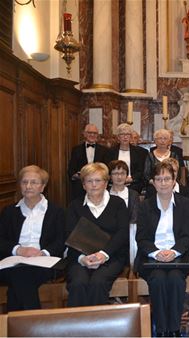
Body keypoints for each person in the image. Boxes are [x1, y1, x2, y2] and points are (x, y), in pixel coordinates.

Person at [135, 162, 189, 337]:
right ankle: (161, 329)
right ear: (152, 182)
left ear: (174, 180)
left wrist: (174, 252)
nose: (163, 183)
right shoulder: (145, 205)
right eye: (158, 179)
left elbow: (186, 236)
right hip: (151, 257)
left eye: (167, 178)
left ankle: (174, 328)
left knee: (176, 279)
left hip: (178, 256)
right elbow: (142, 238)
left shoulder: (184, 203)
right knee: (159, 280)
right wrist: (156, 253)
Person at [0, 165, 65, 311]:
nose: (28, 186)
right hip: (13, 261)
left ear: (42, 187)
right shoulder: (9, 212)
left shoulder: (56, 212)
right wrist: (19, 250)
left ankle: (15, 326)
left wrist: (42, 253)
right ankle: (32, 325)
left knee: (20, 279)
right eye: (24, 182)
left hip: (44, 262)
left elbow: (61, 240)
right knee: (20, 274)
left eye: (34, 182)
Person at [66, 162, 129, 307]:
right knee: (78, 283)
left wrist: (103, 254)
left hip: (111, 256)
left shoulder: (118, 204)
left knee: (98, 282)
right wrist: (83, 258)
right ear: (83, 185)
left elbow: (122, 233)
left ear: (106, 183)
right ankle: (77, 327)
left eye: (98, 180)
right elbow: (69, 234)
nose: (94, 185)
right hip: (80, 257)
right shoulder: (74, 206)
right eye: (89, 181)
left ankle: (96, 327)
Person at [68, 124, 110, 201]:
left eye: (94, 133)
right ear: (84, 134)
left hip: (98, 186)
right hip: (80, 186)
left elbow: (106, 169)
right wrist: (76, 175)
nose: (92, 135)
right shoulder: (76, 150)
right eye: (89, 132)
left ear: (97, 135)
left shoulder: (104, 150)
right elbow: (71, 169)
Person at [109, 123, 147, 193]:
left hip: (133, 185)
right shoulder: (110, 152)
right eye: (122, 134)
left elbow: (141, 170)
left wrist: (131, 179)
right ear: (118, 137)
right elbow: (108, 169)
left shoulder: (140, 152)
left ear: (131, 136)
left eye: (127, 134)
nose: (125, 137)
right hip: (114, 184)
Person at [108, 160, 140, 225]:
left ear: (127, 175)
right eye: (116, 173)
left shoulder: (134, 195)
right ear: (110, 176)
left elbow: (134, 219)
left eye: (123, 173)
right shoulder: (105, 193)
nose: (119, 177)